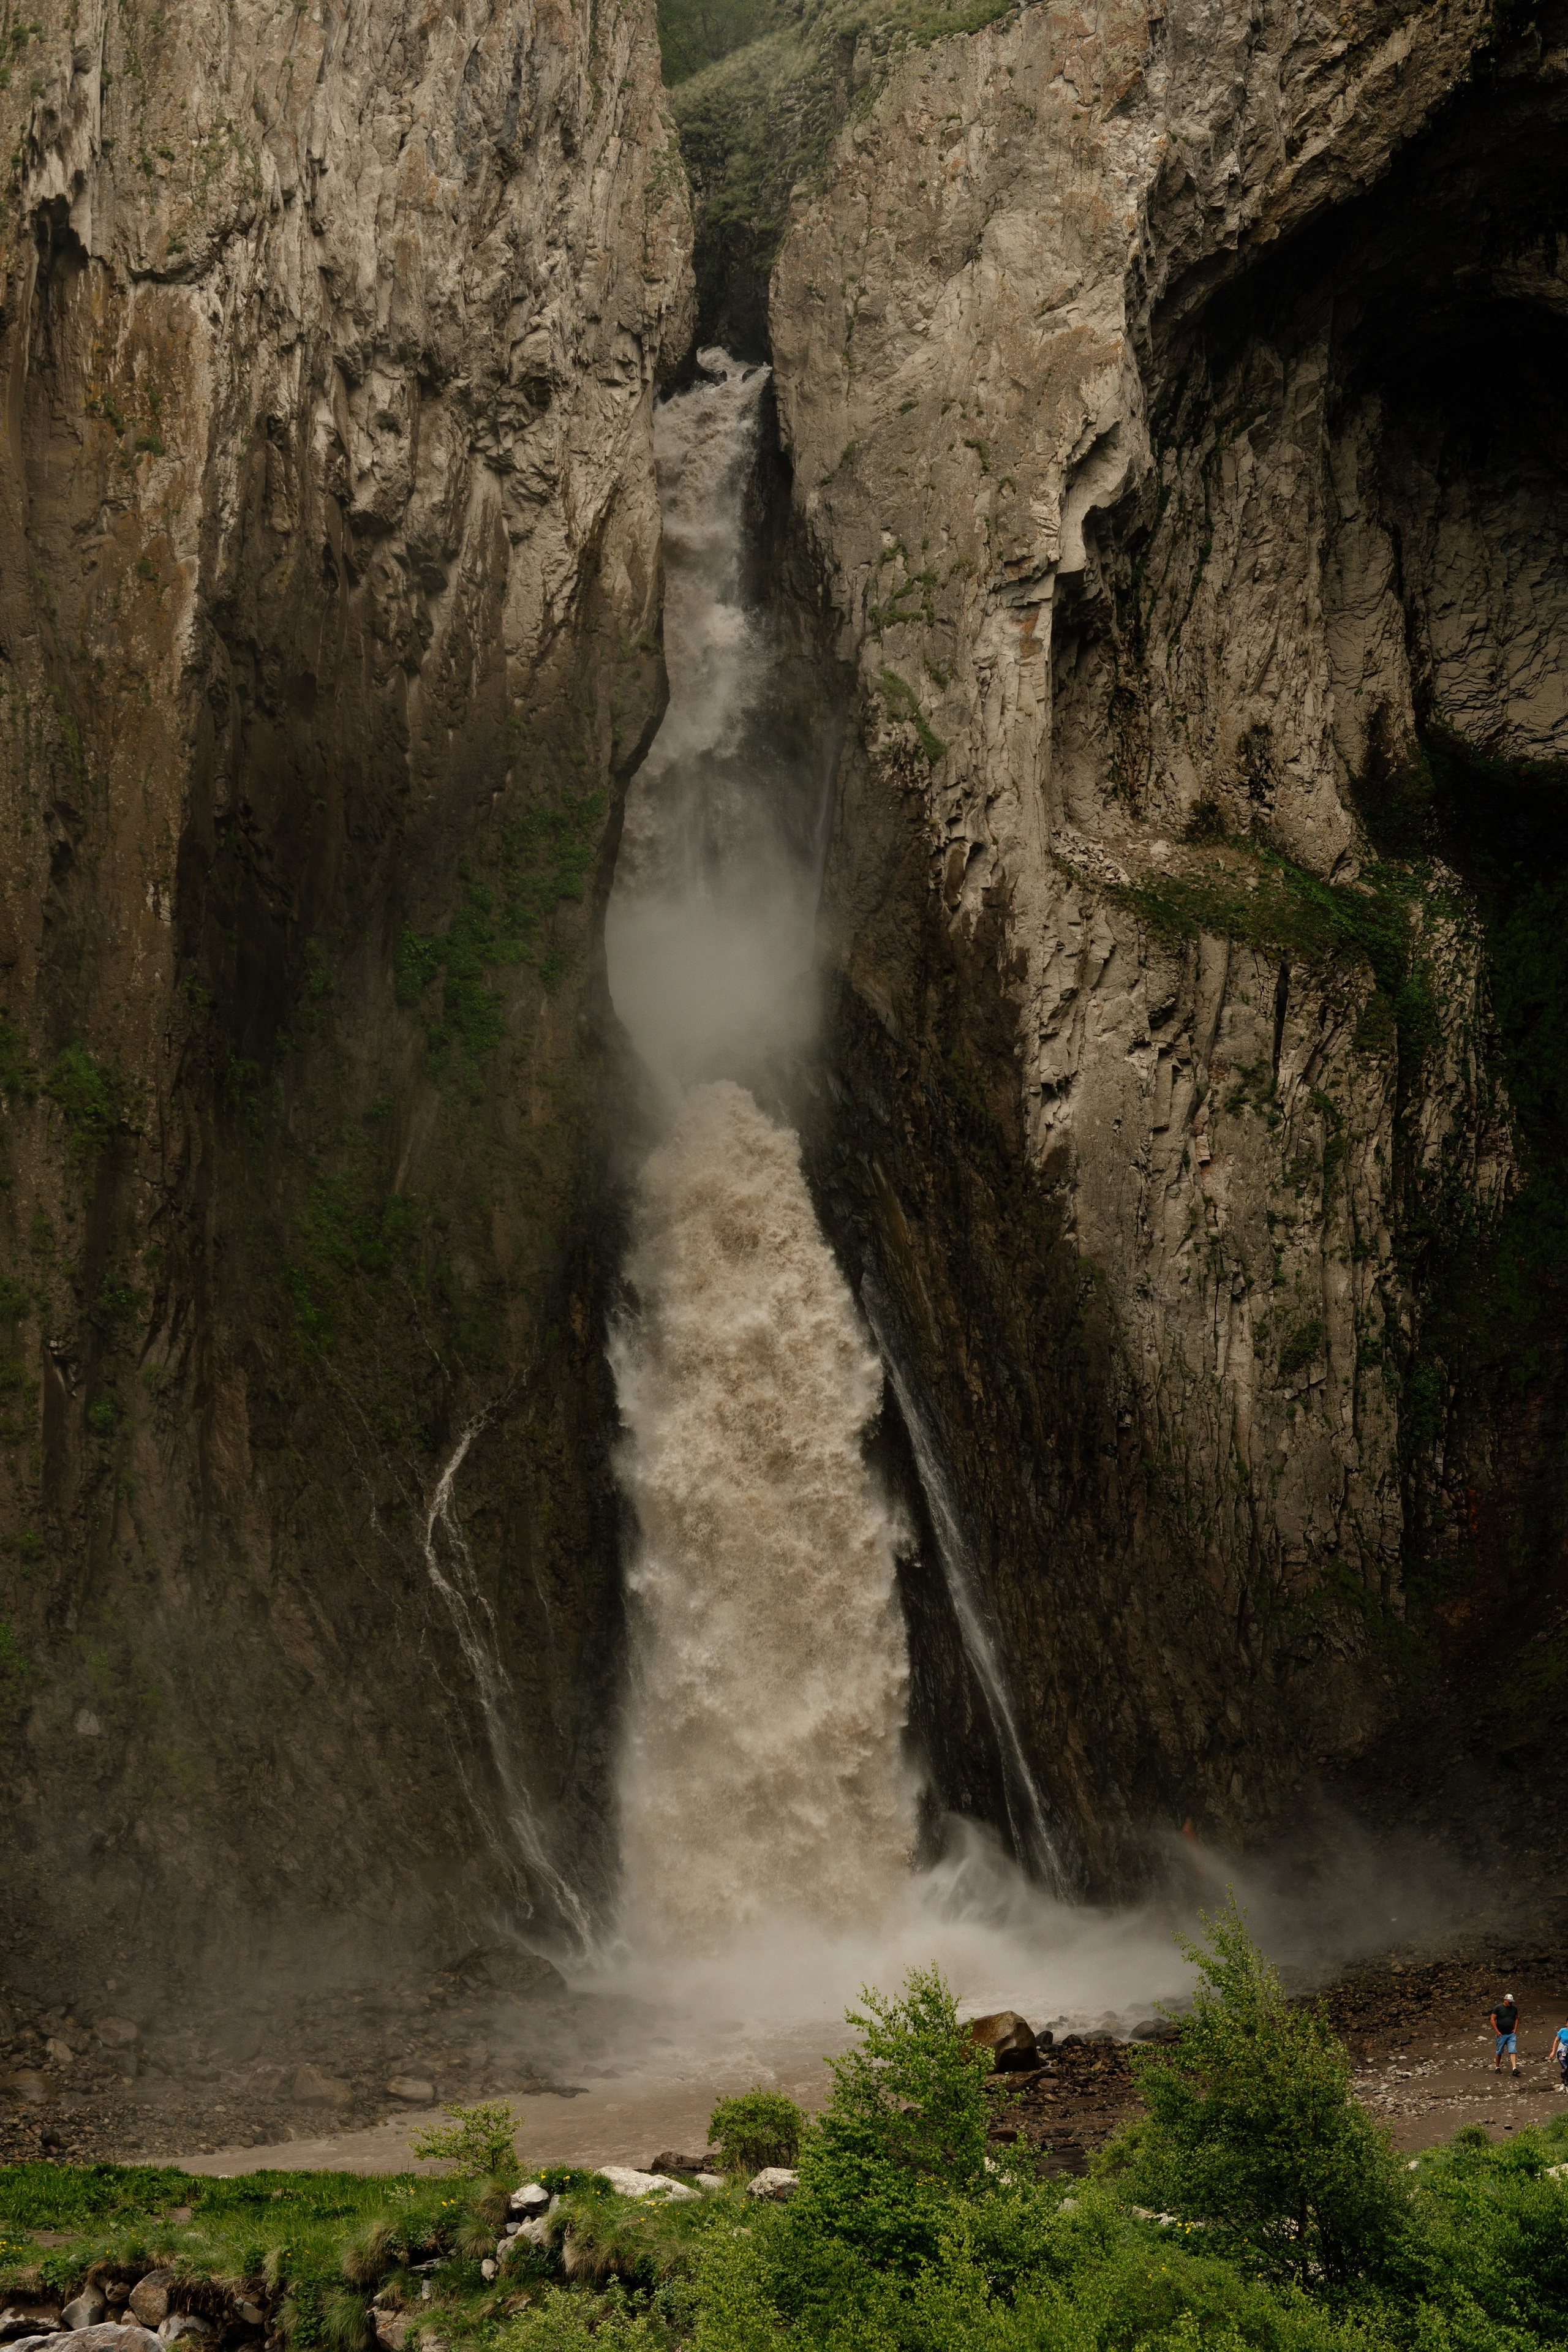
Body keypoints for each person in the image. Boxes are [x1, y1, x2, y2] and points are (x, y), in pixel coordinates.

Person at [1491, 1992, 1520, 2074]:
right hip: (1501, 2034)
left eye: (1511, 2002)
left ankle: (1514, 2068)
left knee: (1513, 2051)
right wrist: (1497, 2031)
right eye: (1509, 2002)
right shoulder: (1498, 2008)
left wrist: (1515, 2029)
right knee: (1499, 2051)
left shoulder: (1514, 2009)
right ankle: (1497, 2067)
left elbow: (1516, 2018)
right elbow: (1492, 2019)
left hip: (1511, 2034)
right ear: (1505, 2000)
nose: (1510, 2003)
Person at [1551, 2013, 1568, 2090]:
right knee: (1565, 2066)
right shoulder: (1562, 2031)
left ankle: (1565, 2083)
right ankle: (1563, 2084)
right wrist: (1553, 2052)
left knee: (1566, 2069)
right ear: (1566, 2023)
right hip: (1561, 2051)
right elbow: (1556, 2041)